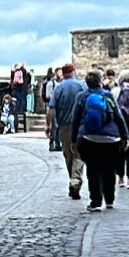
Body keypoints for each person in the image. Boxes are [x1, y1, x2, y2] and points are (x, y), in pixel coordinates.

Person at [71, 68, 126, 210]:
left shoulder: (82, 97)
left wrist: (73, 140)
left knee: (93, 170)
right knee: (109, 169)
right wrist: (125, 136)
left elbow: (75, 120)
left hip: (89, 138)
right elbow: (118, 117)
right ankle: (109, 199)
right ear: (101, 82)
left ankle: (95, 202)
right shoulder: (108, 95)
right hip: (111, 138)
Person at [50, 61, 86, 198]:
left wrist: (48, 126)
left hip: (64, 126)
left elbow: (51, 109)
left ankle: (73, 179)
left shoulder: (58, 88)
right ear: (73, 72)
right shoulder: (82, 85)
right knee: (79, 154)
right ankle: (75, 180)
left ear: (63, 74)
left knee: (68, 154)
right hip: (80, 126)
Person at [42, 67, 58, 152]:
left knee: (58, 126)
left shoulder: (61, 83)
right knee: (54, 126)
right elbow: (48, 96)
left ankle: (58, 143)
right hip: (52, 106)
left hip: (59, 107)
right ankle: (52, 143)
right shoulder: (51, 83)